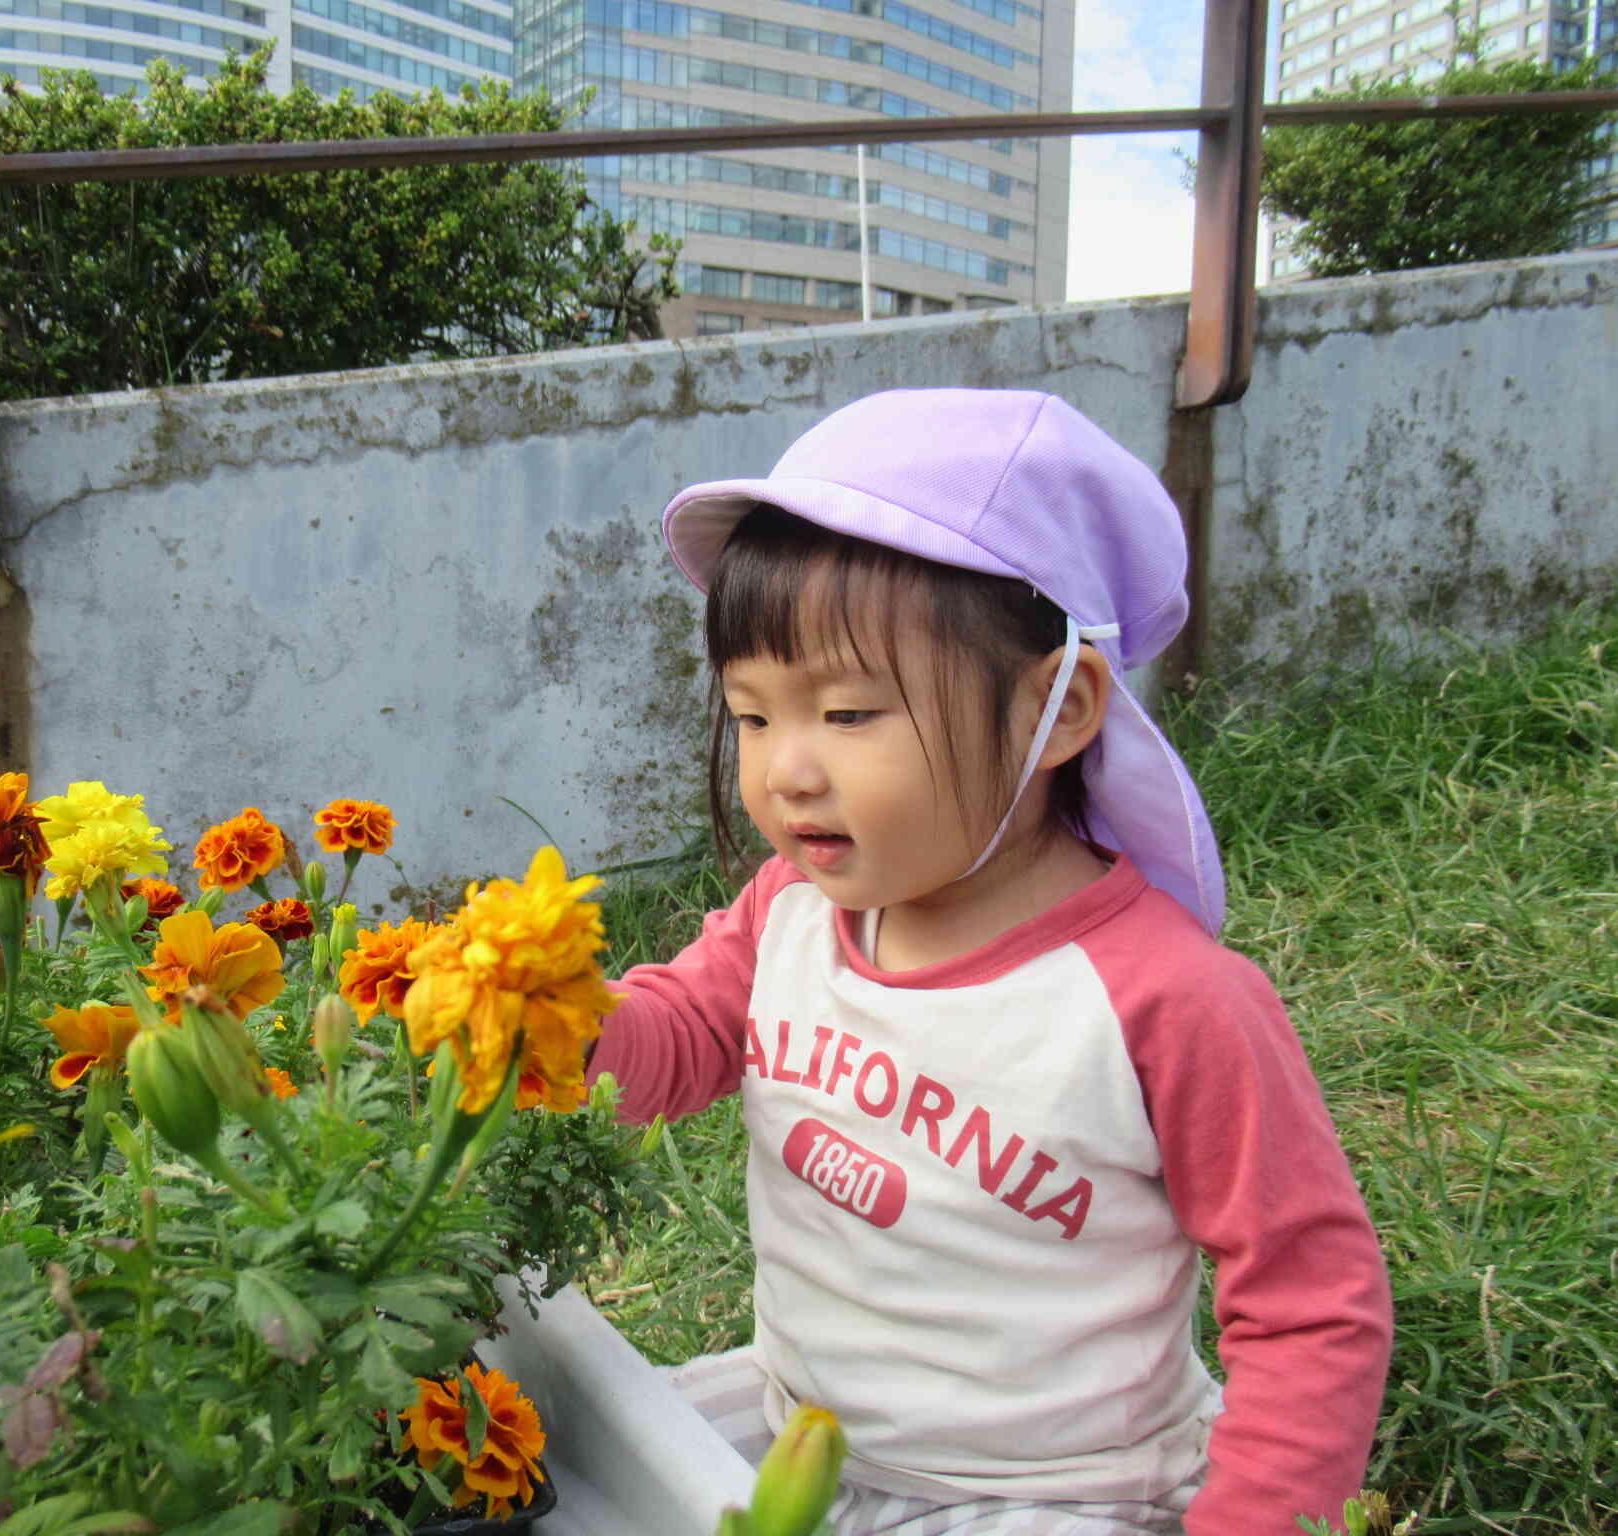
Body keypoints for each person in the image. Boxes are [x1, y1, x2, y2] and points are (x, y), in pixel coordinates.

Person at [586, 390, 1393, 1536]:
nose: (784, 773)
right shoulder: (793, 911)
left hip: (1047, 1496)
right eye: (754, 716)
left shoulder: (1166, 1002)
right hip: (793, 1427)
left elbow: (1312, 1303)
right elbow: (667, 1042)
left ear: (1057, 709)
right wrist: (550, 1018)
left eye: (850, 712)